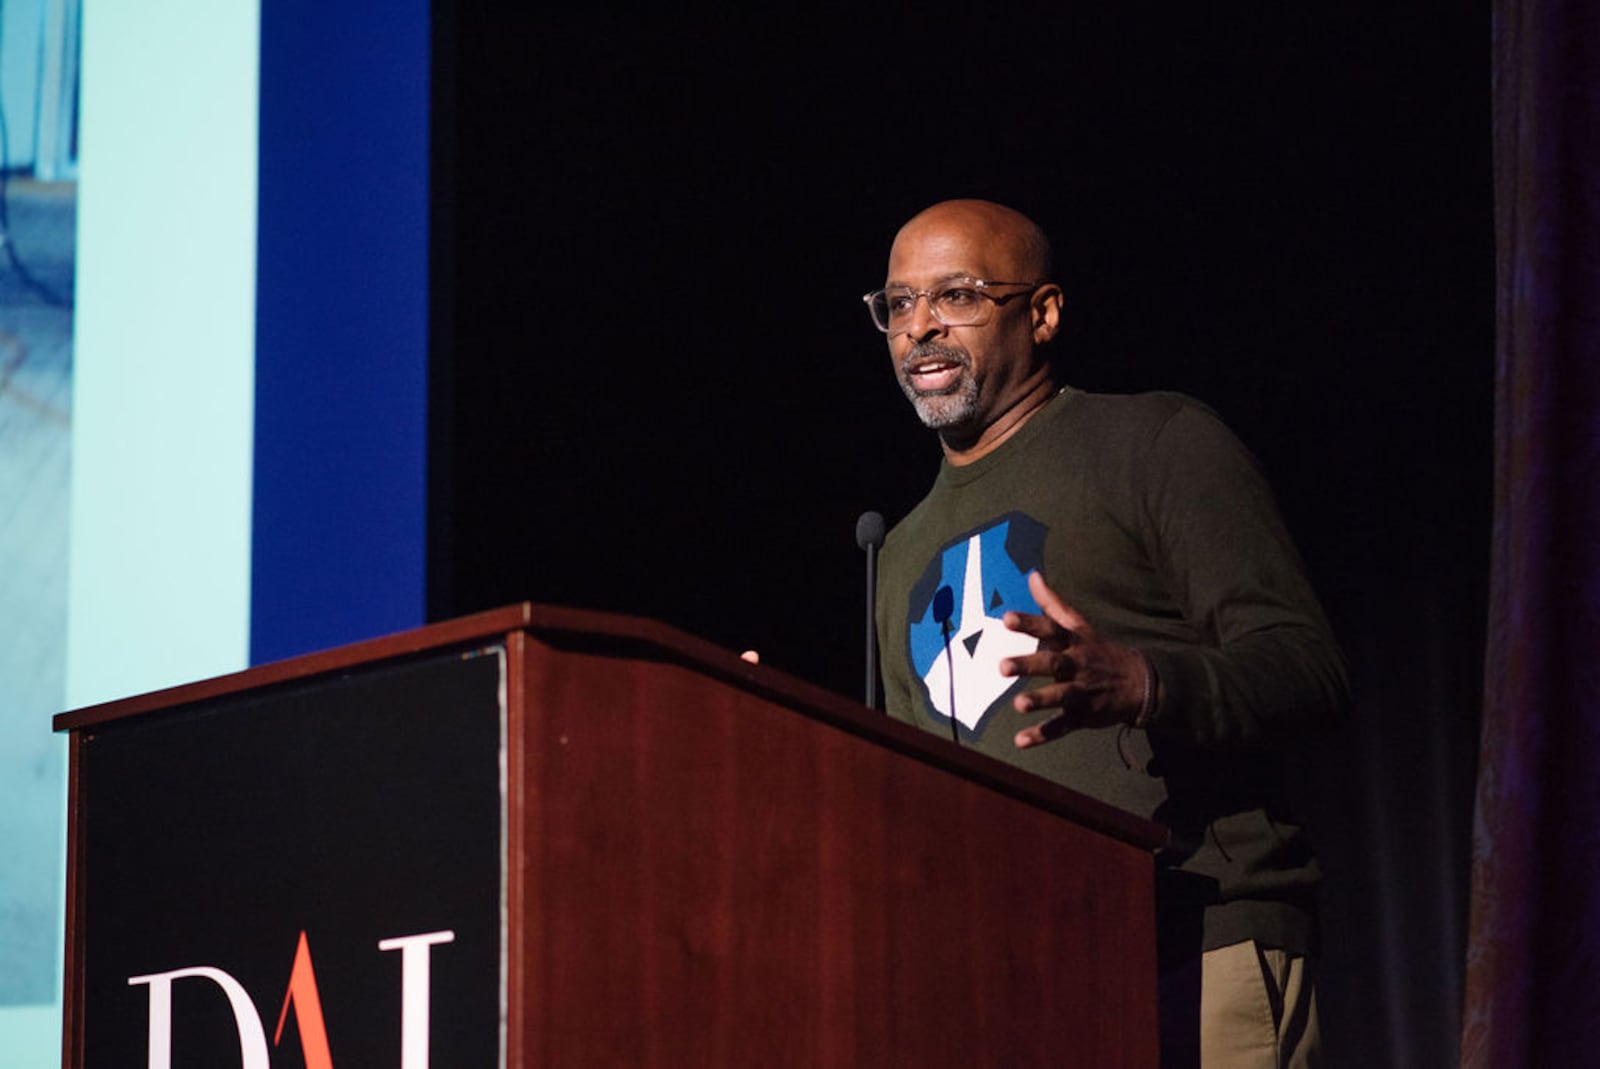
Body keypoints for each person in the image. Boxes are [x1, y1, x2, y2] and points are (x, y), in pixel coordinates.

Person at [866, 199, 1348, 1068]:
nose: (920, 328)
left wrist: (1143, 683)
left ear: (1043, 313)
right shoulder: (897, 552)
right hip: (1009, 977)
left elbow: (1307, 669)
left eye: (958, 296)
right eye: (899, 304)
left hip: (1192, 937)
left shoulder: (1153, 443)